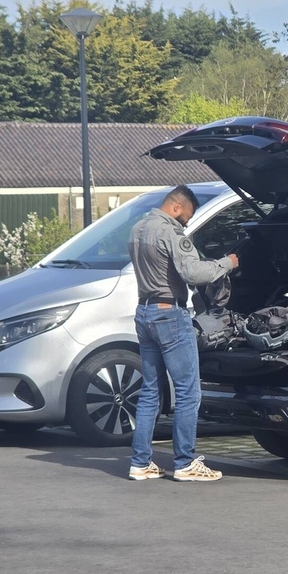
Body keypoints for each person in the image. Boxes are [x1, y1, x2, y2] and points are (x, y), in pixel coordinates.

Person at [127, 185, 238, 482]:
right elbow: (193, 273)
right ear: (177, 207)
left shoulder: (137, 229)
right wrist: (227, 263)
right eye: (185, 217)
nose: (185, 224)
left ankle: (140, 463)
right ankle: (186, 463)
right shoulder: (170, 232)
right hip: (170, 316)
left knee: (150, 391)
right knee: (188, 392)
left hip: (144, 313)